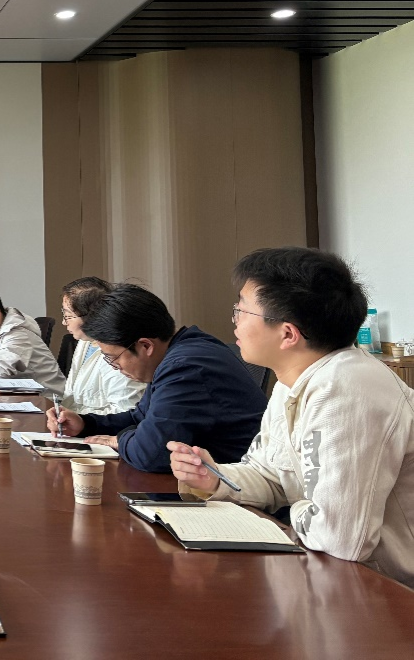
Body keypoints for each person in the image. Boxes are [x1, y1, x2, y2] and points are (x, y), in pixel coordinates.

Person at [169, 247, 414, 587]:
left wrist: (297, 506)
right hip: (332, 579)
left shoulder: (346, 388)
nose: (235, 320)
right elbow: (270, 475)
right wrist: (216, 479)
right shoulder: (292, 381)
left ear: (287, 334)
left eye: (241, 309)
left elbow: (341, 539)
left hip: (389, 592)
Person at [47, 283, 265, 473]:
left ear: (145, 346)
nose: (115, 367)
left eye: (114, 358)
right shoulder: (178, 352)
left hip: (236, 493)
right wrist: (86, 424)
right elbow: (140, 417)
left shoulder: (185, 368)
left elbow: (151, 454)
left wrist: (119, 440)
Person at [59, 276, 145, 414]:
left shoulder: (119, 351)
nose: (64, 322)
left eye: (68, 316)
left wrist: (78, 419)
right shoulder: (85, 342)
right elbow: (71, 397)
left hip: (98, 426)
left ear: (92, 316)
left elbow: (126, 410)